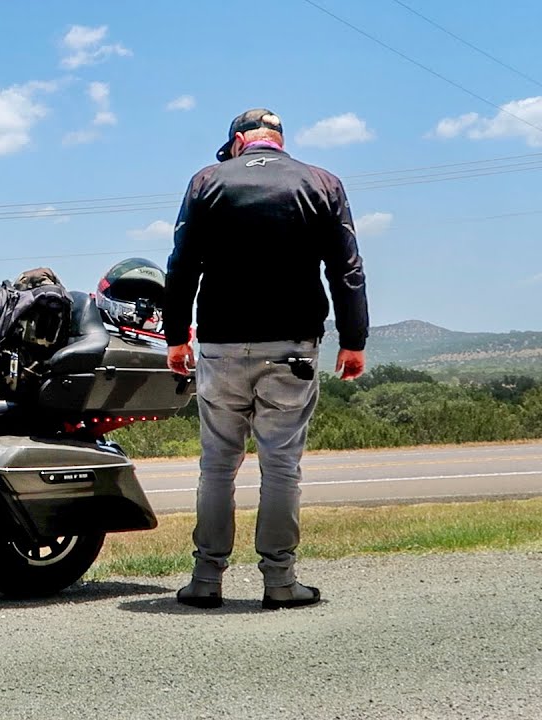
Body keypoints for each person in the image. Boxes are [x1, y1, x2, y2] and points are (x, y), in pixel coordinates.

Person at [162, 108, 369, 610]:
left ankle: (206, 580)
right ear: (279, 140)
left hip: (220, 345)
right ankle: (280, 582)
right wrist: (353, 339)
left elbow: (182, 264)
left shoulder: (207, 181)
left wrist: (176, 338)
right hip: (292, 347)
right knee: (280, 467)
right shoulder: (322, 182)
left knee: (217, 466)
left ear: (238, 142)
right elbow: (346, 268)